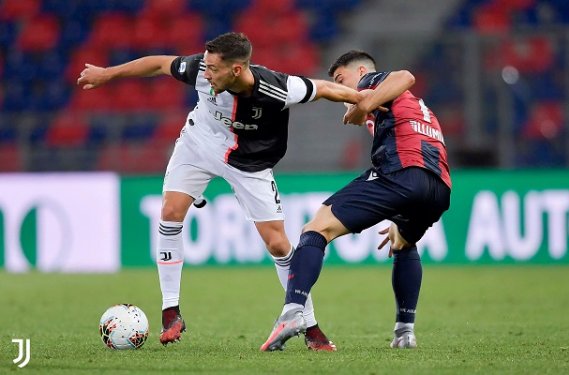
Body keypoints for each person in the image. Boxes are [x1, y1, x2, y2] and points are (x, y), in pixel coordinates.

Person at [77, 32, 365, 351]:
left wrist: (367, 102)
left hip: (249, 164)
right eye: (206, 65)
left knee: (278, 243)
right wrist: (108, 74)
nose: (206, 72)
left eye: (214, 68)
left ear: (237, 70)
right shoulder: (200, 69)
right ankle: (170, 311)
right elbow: (158, 64)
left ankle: (310, 327)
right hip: (199, 144)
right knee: (170, 212)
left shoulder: (277, 88)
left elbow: (324, 88)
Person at [260, 50, 452, 351]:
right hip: (438, 187)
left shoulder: (372, 82)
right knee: (402, 241)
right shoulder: (415, 106)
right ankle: (405, 332)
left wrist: (364, 103)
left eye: (341, 79)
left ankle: (293, 312)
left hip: (402, 173)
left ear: (361, 71)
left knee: (317, 228)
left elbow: (406, 76)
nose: (342, 89)